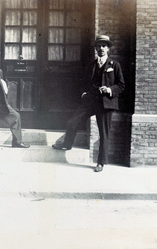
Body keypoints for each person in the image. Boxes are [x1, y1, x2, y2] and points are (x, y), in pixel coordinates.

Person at [52, 35, 125, 172]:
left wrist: (109, 89)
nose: (101, 48)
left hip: (106, 102)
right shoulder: (92, 65)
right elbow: (83, 82)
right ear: (96, 48)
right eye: (99, 46)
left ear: (108, 48)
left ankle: (101, 163)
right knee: (73, 121)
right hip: (91, 99)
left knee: (104, 133)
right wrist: (84, 93)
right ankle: (67, 144)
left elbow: (121, 85)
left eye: (104, 46)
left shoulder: (114, 65)